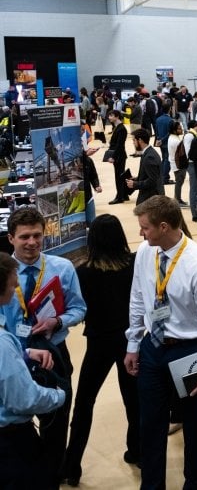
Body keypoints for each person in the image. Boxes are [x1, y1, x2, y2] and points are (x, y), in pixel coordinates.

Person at [124, 195, 197, 489]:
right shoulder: (146, 252)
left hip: (189, 350)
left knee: (194, 429)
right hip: (152, 348)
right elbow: (138, 297)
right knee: (150, 425)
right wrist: (133, 343)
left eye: (145, 228)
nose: (140, 234)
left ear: (165, 226)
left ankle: (194, 485)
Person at [1, 207, 87, 488]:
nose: (32, 242)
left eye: (37, 235)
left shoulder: (61, 268)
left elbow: (79, 308)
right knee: (16, 424)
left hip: (53, 356)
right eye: (24, 237)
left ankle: (52, 475)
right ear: (11, 238)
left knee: (55, 426)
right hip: (11, 357)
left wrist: (58, 321)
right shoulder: (2, 275)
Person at [62, 215, 140, 486]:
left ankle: (72, 464)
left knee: (84, 402)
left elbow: (78, 309)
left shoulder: (83, 271)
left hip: (98, 342)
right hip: (130, 341)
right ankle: (137, 450)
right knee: (133, 399)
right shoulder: (133, 265)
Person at [0, 251, 66, 489]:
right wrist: (59, 395)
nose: (16, 284)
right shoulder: (3, 343)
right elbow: (24, 400)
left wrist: (24, 354)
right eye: (11, 282)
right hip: (11, 443)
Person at [125, 128, 165, 206]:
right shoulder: (148, 152)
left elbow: (152, 181)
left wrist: (135, 184)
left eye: (134, 140)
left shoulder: (149, 157)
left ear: (140, 140)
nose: (133, 143)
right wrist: (137, 178)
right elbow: (151, 175)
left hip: (151, 199)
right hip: (151, 197)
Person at [107, 109, 130, 204]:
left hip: (119, 156)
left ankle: (120, 197)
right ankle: (124, 194)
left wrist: (113, 157)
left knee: (118, 176)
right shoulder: (116, 127)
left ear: (117, 116)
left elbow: (119, 145)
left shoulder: (121, 129)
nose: (109, 117)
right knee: (120, 175)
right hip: (118, 155)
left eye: (111, 115)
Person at [166, 120, 188, 207]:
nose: (181, 130)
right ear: (174, 130)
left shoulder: (172, 137)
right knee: (179, 182)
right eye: (179, 129)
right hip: (178, 164)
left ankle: (178, 198)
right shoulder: (175, 141)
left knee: (179, 182)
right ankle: (177, 200)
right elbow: (183, 152)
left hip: (175, 162)